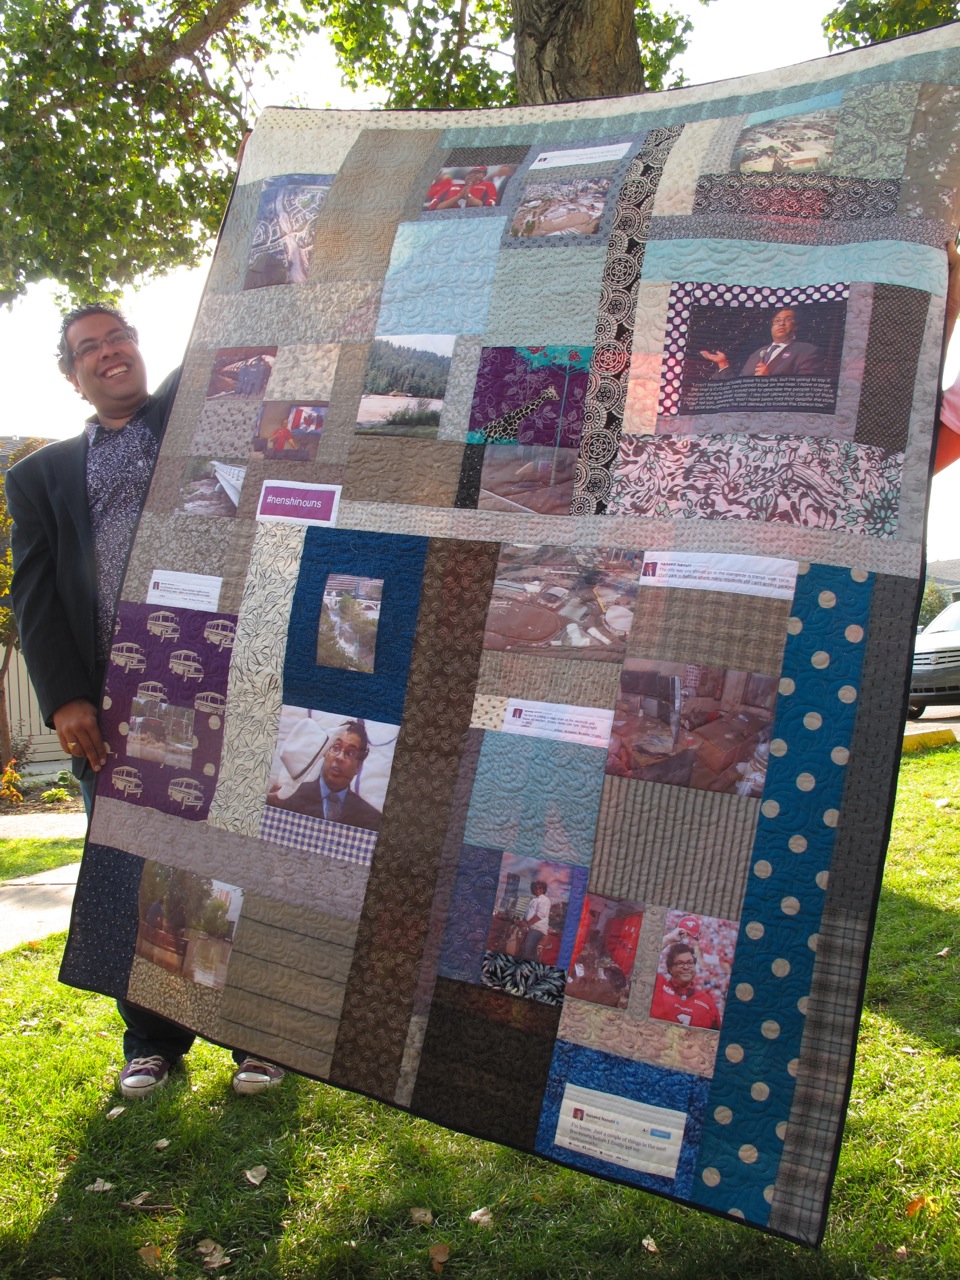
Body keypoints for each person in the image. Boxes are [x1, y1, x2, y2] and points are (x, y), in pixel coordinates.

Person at [6, 304, 284, 1101]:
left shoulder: (198, 422)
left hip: (221, 686)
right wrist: (63, 698)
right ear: (71, 376)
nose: (107, 354)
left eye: (117, 338)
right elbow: (35, 596)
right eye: (87, 350)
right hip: (117, 707)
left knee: (230, 855)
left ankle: (253, 1039)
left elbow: (250, 340)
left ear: (139, 349)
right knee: (135, 870)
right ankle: (154, 1041)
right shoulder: (39, 475)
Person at [267, 719, 382, 830]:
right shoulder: (286, 800)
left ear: (359, 765)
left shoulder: (373, 819)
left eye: (350, 753)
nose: (340, 757)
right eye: (335, 747)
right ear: (325, 752)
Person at [700, 307, 824, 378]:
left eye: (787, 319)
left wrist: (768, 380)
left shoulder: (807, 351)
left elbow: (805, 389)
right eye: (777, 321)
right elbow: (738, 386)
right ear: (771, 328)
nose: (781, 323)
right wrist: (722, 363)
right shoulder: (757, 354)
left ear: (796, 326)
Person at [648, 942, 722, 1030]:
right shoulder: (658, 985)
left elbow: (716, 1038)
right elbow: (643, 960)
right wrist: (668, 939)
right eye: (680, 963)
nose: (686, 967)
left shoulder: (707, 1003)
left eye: (690, 963)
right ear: (670, 968)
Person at [520, 880, 552, 960]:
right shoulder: (533, 900)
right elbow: (528, 914)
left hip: (537, 928)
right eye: (535, 888)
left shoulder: (545, 899)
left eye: (540, 888)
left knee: (528, 950)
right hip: (530, 926)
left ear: (543, 889)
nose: (538, 889)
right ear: (533, 889)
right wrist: (523, 921)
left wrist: (527, 923)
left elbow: (540, 915)